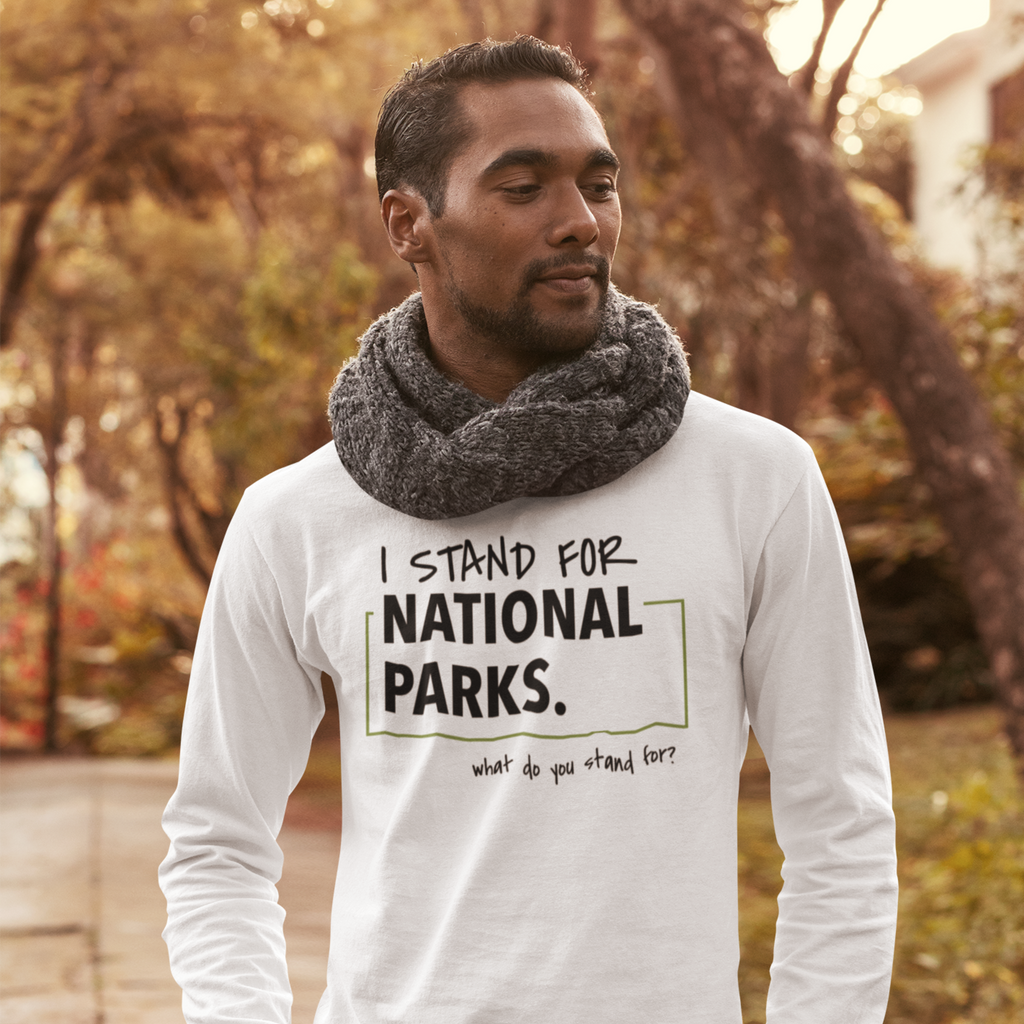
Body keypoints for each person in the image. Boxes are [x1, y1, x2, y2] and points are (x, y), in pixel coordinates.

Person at [160, 35, 898, 1024]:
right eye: (522, 187)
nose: (581, 220)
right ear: (410, 223)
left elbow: (842, 824)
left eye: (599, 184)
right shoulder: (297, 518)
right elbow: (218, 840)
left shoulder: (752, 478)